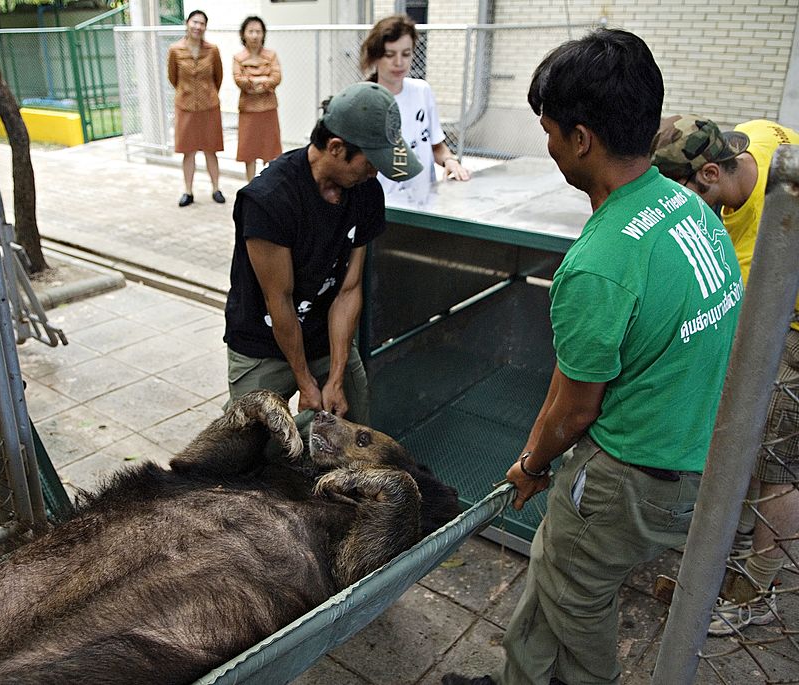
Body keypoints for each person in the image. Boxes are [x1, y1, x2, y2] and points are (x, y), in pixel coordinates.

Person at [443, 29, 741, 685]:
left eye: (548, 130)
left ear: (580, 139)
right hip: (695, 450)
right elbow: (579, 377)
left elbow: (576, 410)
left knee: (578, 608)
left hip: (633, 475)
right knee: (555, 565)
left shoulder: (599, 264)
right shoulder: (686, 206)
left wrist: (531, 461)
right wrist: (537, 449)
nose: (546, 145)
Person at [651, 115, 799, 636]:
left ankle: (759, 588)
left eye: (682, 193)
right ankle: (732, 544)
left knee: (780, 456)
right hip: (778, 309)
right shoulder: (753, 134)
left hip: (796, 325)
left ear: (711, 173)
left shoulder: (762, 248)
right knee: (750, 430)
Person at [223, 82, 422, 425]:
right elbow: (279, 300)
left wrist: (335, 377)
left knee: (355, 426)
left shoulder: (365, 192)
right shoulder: (269, 200)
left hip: (325, 335)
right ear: (335, 147)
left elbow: (349, 288)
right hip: (263, 338)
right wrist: (305, 383)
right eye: (371, 162)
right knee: (248, 444)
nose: (375, 172)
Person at [359, 14, 469, 206]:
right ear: (375, 56)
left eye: (406, 54)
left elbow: (436, 145)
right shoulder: (364, 99)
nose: (399, 62)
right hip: (382, 204)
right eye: (390, 54)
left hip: (424, 200)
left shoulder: (422, 91)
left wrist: (450, 161)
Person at [167, 9, 225, 207]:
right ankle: (188, 191)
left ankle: (216, 188)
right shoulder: (175, 50)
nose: (198, 27)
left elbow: (218, 76)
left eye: (202, 23)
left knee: (211, 150)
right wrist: (187, 93)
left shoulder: (212, 50)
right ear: (187, 23)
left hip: (209, 107)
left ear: (205, 27)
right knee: (188, 151)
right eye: (195, 22)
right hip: (185, 107)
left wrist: (207, 92)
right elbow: (173, 77)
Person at [233, 16, 282, 181]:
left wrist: (253, 83)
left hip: (268, 109)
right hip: (248, 110)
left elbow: (276, 77)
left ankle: (268, 185)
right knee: (249, 151)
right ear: (243, 34)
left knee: (270, 150)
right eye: (251, 31)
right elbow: (239, 80)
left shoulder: (271, 55)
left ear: (263, 34)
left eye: (258, 31)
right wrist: (263, 82)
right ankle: (250, 186)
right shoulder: (238, 57)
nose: (254, 35)